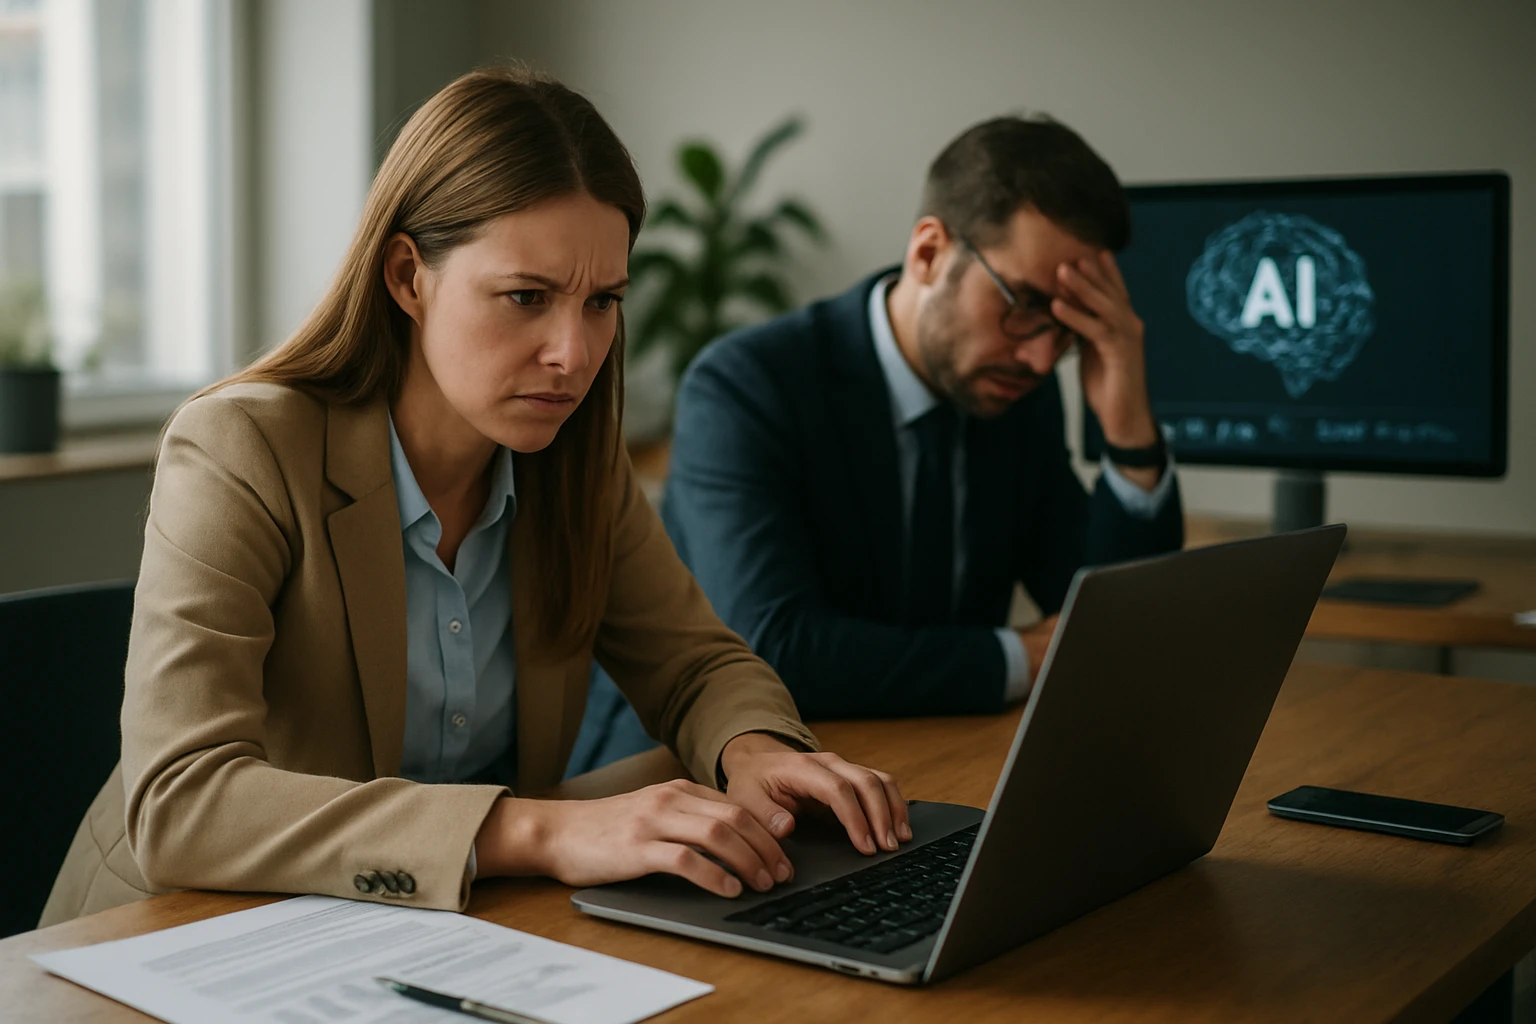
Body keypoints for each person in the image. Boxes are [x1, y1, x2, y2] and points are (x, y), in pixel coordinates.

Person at [40, 68, 911, 928]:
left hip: (435, 935)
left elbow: (696, 665)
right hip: (175, 937)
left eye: (602, 302)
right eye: (526, 298)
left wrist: (751, 751)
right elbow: (181, 804)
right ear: (408, 276)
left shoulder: (573, 460)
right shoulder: (244, 446)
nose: (573, 353)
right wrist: (535, 829)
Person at [575, 114, 1185, 752]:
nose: (1039, 358)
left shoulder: (1013, 393)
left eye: (1068, 329)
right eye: (1025, 304)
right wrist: (1019, 657)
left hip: (917, 758)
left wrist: (1128, 429)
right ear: (928, 252)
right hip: (677, 777)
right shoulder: (748, 385)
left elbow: (1110, 631)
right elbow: (775, 647)